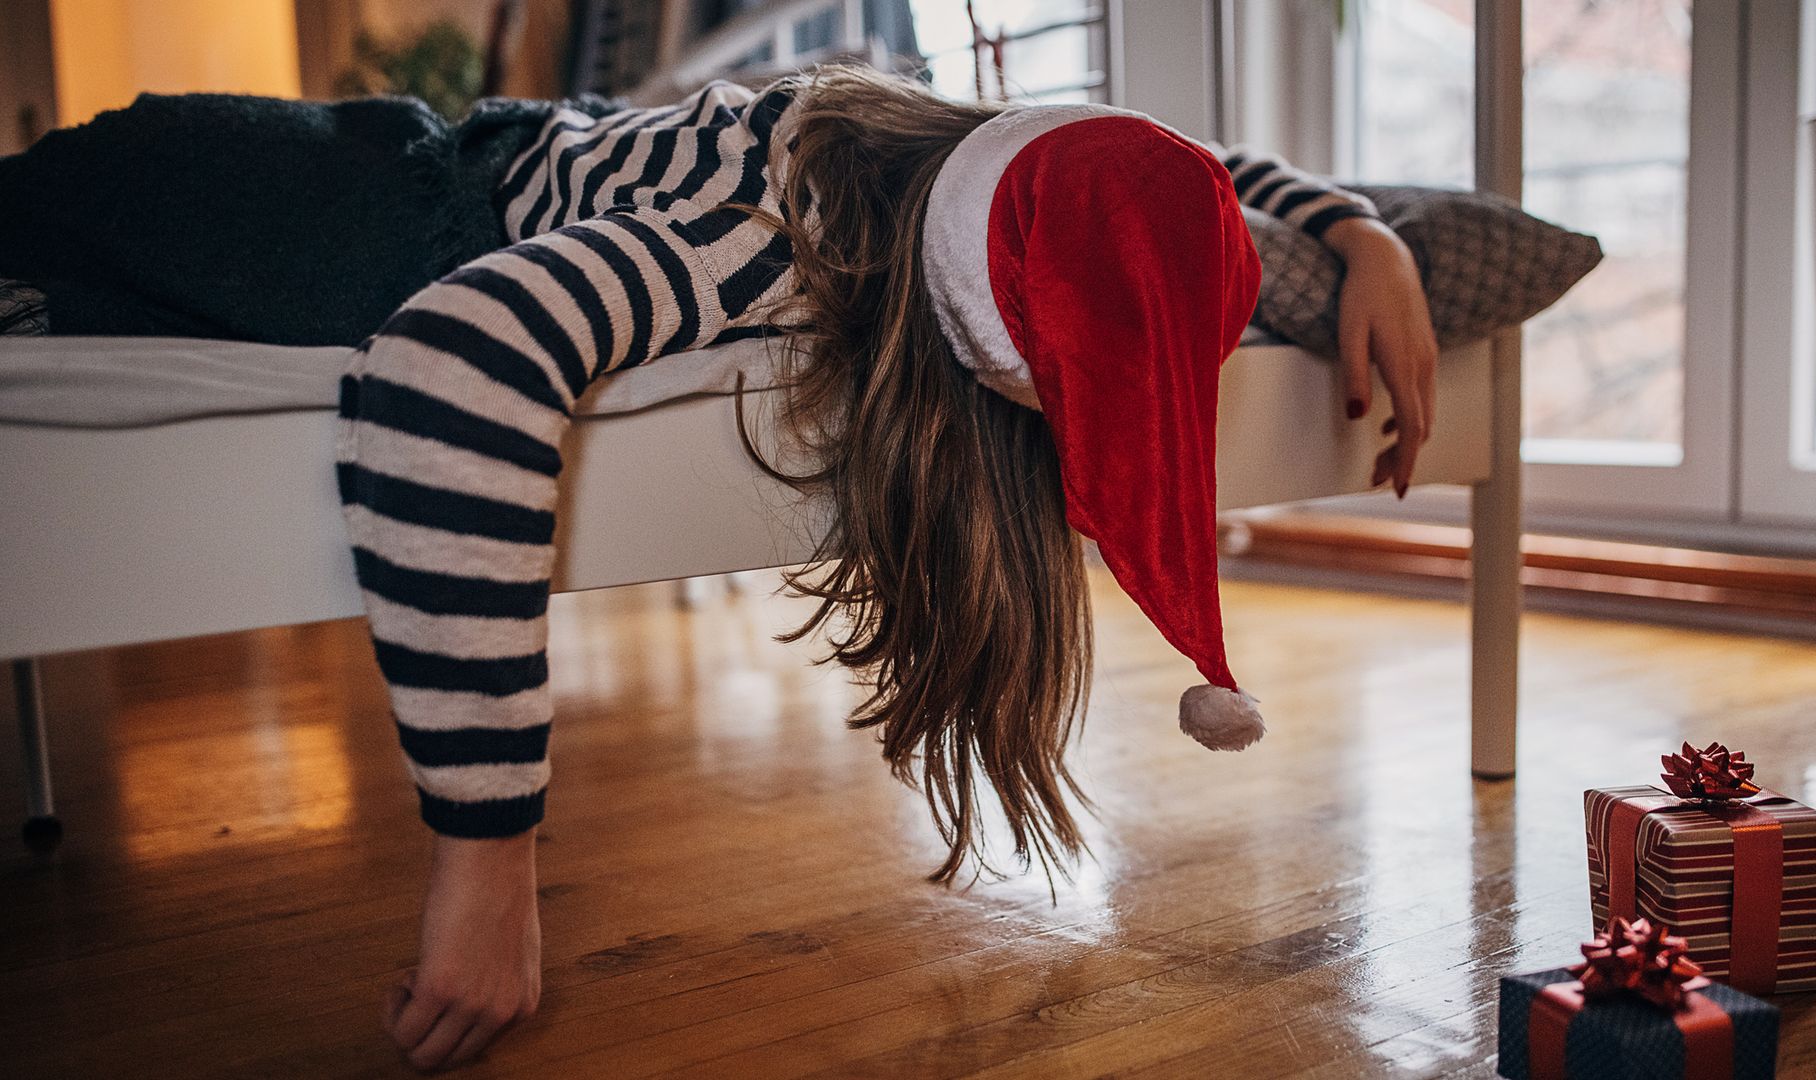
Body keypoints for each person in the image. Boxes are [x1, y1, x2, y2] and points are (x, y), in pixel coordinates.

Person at [3, 64, 1436, 1070]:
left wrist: (1359, 232)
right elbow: (445, 365)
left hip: (455, 142)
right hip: (302, 200)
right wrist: (489, 861)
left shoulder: (937, 143)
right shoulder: (761, 248)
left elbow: (1175, 169)